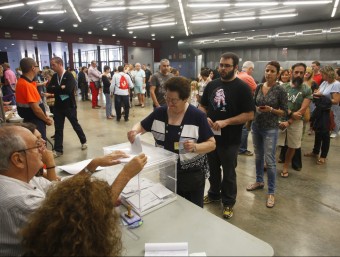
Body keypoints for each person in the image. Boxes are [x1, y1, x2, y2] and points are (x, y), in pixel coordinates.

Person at [0, 125, 147, 256]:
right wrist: (126, 175)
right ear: (18, 159)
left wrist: (92, 165)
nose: (42, 149)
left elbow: (60, 189)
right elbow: (88, 219)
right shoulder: (19, 201)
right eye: (36, 144)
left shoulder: (24, 178)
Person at [128, 76, 215, 208]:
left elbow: (212, 144)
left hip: (191, 175)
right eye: (167, 98)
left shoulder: (197, 116)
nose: (169, 103)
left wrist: (196, 147)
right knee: (171, 206)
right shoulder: (159, 113)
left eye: (174, 100)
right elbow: (141, 125)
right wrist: (134, 132)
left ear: (185, 99)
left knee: (192, 210)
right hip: (167, 172)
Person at [199, 52, 254, 219]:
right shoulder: (211, 85)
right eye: (221, 65)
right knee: (213, 169)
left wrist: (227, 121)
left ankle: (228, 202)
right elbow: (202, 106)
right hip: (211, 138)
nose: (223, 68)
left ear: (235, 67)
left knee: (229, 173)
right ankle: (214, 194)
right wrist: (205, 117)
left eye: (227, 65)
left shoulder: (242, 88)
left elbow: (250, 114)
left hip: (230, 139)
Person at [246, 61, 288, 208]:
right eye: (267, 70)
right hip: (256, 126)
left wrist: (271, 109)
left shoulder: (280, 90)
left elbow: (284, 111)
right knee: (258, 156)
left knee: (270, 160)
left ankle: (271, 192)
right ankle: (259, 181)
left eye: (272, 71)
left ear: (277, 74)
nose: (269, 73)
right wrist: (256, 110)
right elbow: (253, 105)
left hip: (271, 128)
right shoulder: (258, 87)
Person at [48, 57, 87, 157]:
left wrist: (57, 89)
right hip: (58, 107)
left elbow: (68, 90)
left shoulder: (69, 76)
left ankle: (83, 141)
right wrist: (60, 87)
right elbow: (49, 88)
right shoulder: (54, 76)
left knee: (75, 125)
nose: (52, 67)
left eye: (54, 65)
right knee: (58, 128)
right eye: (51, 65)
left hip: (69, 106)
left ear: (60, 64)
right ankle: (58, 150)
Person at [278, 63, 313, 177]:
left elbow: (302, 110)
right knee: (273, 143)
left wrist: (289, 121)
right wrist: (290, 113)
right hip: (280, 119)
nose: (298, 75)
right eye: (296, 72)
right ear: (291, 72)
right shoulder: (283, 87)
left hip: (296, 122)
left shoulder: (306, 89)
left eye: (301, 73)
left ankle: (286, 166)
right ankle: (268, 163)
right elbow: (280, 104)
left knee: (292, 145)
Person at [305, 66, 340, 164]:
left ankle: (323, 156)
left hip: (327, 111)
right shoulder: (324, 82)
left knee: (325, 134)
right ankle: (315, 151)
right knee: (317, 131)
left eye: (323, 74)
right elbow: (319, 92)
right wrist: (317, 94)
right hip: (319, 109)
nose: (321, 76)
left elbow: (336, 101)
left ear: (328, 73)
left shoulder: (336, 84)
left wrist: (321, 96)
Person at [15, 57, 53, 140]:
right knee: (40, 144)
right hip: (35, 121)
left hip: (31, 119)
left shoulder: (22, 82)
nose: (38, 68)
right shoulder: (26, 85)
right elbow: (36, 109)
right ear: (33, 68)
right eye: (37, 66)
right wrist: (46, 120)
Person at [237, 61, 257, 157]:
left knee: (238, 127)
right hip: (244, 107)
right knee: (244, 128)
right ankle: (242, 149)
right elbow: (257, 91)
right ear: (250, 69)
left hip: (236, 106)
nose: (252, 72)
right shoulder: (248, 77)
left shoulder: (237, 76)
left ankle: (237, 147)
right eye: (252, 70)